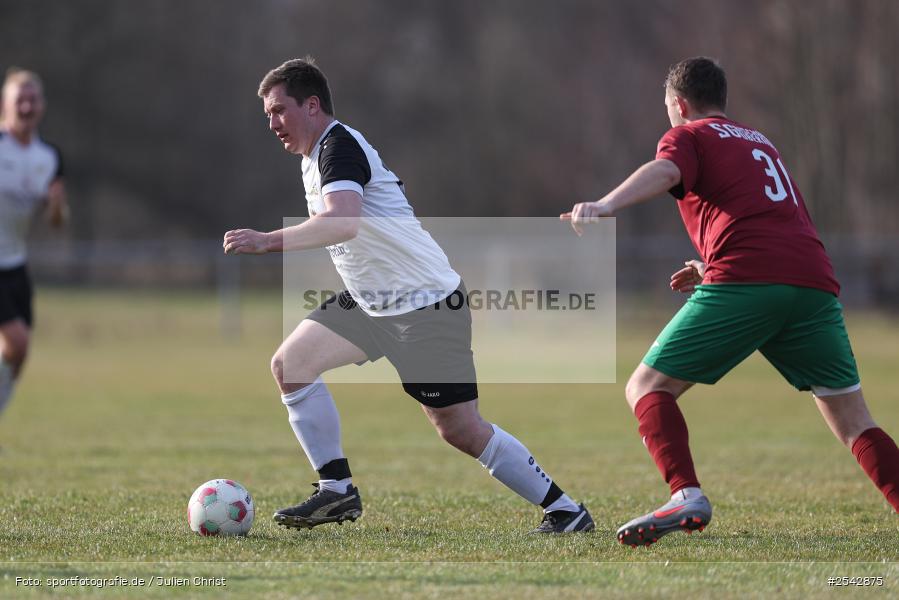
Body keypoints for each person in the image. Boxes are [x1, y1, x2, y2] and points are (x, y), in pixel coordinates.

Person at [224, 57, 593, 534]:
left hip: (425, 307)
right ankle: (336, 490)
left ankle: (565, 510)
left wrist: (268, 240)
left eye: (278, 110)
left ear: (312, 105)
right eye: (267, 114)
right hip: (372, 302)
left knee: (459, 429)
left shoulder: (338, 147)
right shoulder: (313, 157)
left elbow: (343, 221)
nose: (272, 123)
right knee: (290, 365)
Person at [562, 56, 899, 547]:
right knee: (854, 424)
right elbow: (767, 215)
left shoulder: (688, 136)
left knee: (646, 386)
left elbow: (664, 169)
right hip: (812, 283)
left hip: (749, 280)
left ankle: (685, 494)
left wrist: (607, 205)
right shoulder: (761, 141)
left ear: (678, 104)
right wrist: (710, 266)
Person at [0, 68, 68, 422]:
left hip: (15, 264)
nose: (26, 106)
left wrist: (56, 205)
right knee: (16, 341)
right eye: (19, 99)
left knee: (18, 353)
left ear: (41, 105)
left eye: (32, 99)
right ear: (5, 105)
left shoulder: (49, 158)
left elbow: (56, 223)